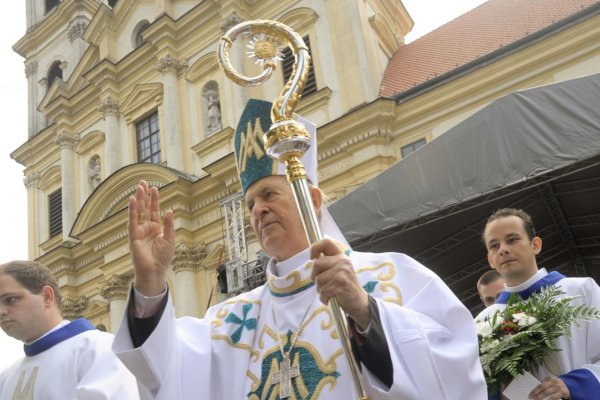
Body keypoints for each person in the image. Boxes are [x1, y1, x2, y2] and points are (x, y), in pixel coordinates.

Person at [113, 99, 487, 399]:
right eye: (250, 203)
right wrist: (150, 284)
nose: (257, 209)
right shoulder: (232, 319)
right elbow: (164, 372)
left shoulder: (389, 275)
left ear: (313, 199)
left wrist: (364, 312)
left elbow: (453, 364)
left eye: (269, 194)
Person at [476, 208, 600, 400]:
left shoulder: (581, 290)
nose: (503, 249)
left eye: (512, 239)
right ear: (491, 259)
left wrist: (573, 385)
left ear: (535, 245)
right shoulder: (483, 323)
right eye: (494, 245)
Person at [0, 260, 141, 399]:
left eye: (10, 299)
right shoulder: (6, 377)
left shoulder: (98, 349)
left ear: (47, 297)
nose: (1, 311)